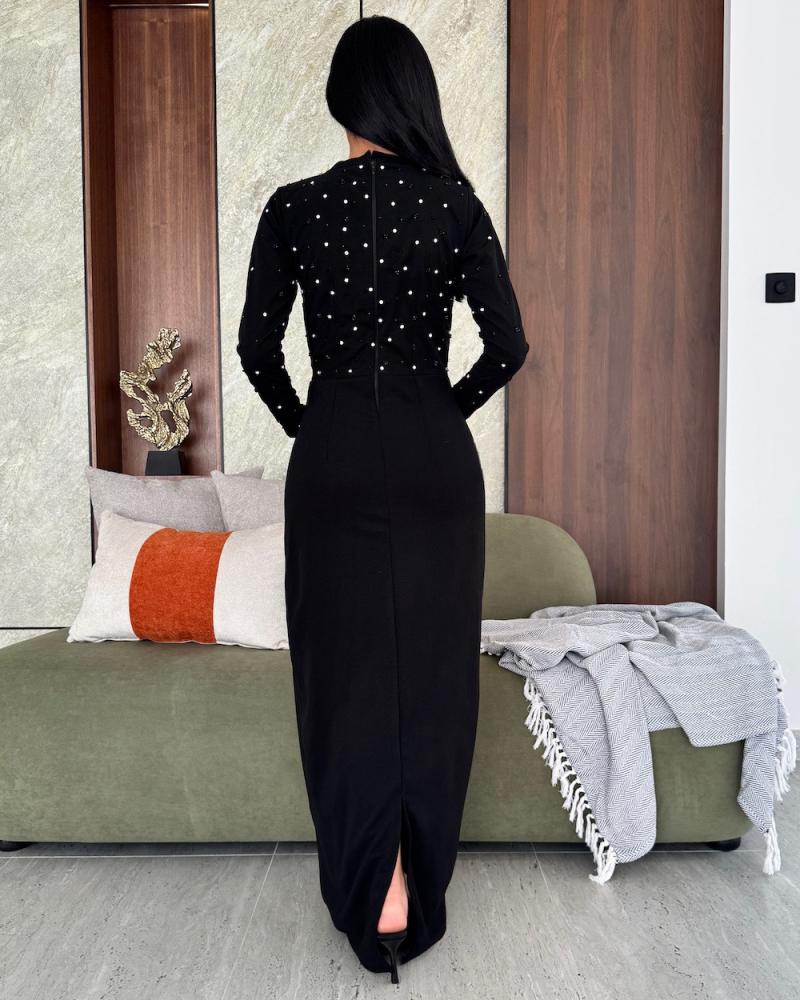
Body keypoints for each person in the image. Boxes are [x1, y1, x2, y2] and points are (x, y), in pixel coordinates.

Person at [237, 14, 529, 984]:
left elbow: (255, 349)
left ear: (342, 99)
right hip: (432, 458)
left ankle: (373, 886)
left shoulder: (291, 208)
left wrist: (313, 424)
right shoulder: (454, 205)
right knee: (432, 677)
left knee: (344, 676)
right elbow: (507, 347)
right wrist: (434, 415)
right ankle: (417, 880)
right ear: (410, 96)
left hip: (330, 458)